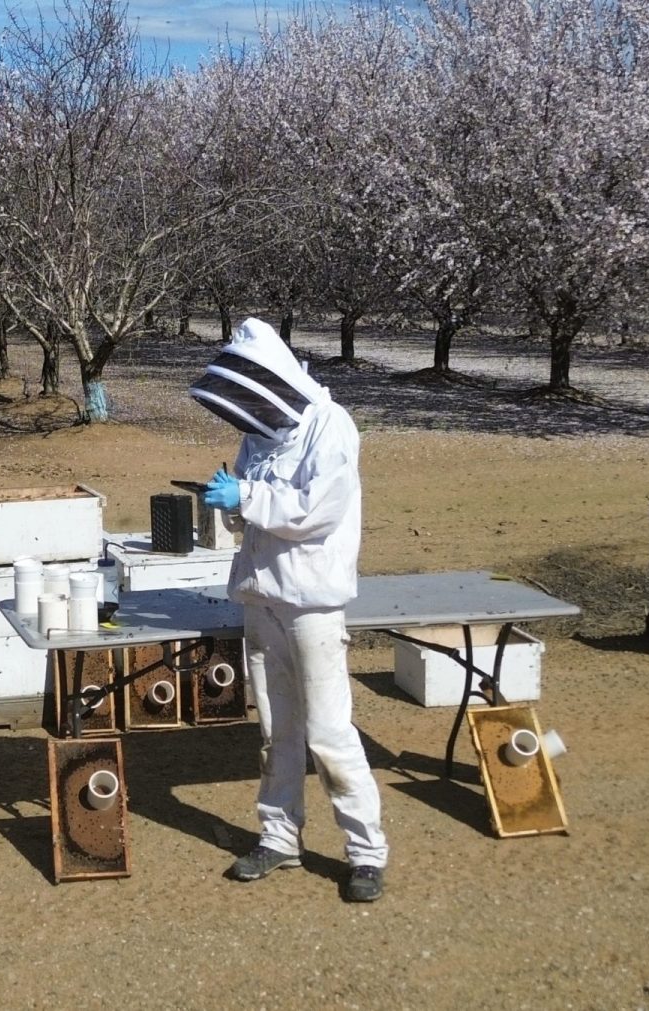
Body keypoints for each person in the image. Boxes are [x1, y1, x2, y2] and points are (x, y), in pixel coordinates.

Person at [190, 317, 388, 903]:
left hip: (312, 605)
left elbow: (315, 512)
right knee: (277, 733)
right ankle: (279, 839)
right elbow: (250, 510)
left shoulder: (332, 426)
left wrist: (245, 497)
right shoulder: (258, 433)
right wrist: (227, 499)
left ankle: (367, 852)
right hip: (262, 596)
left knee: (328, 731)